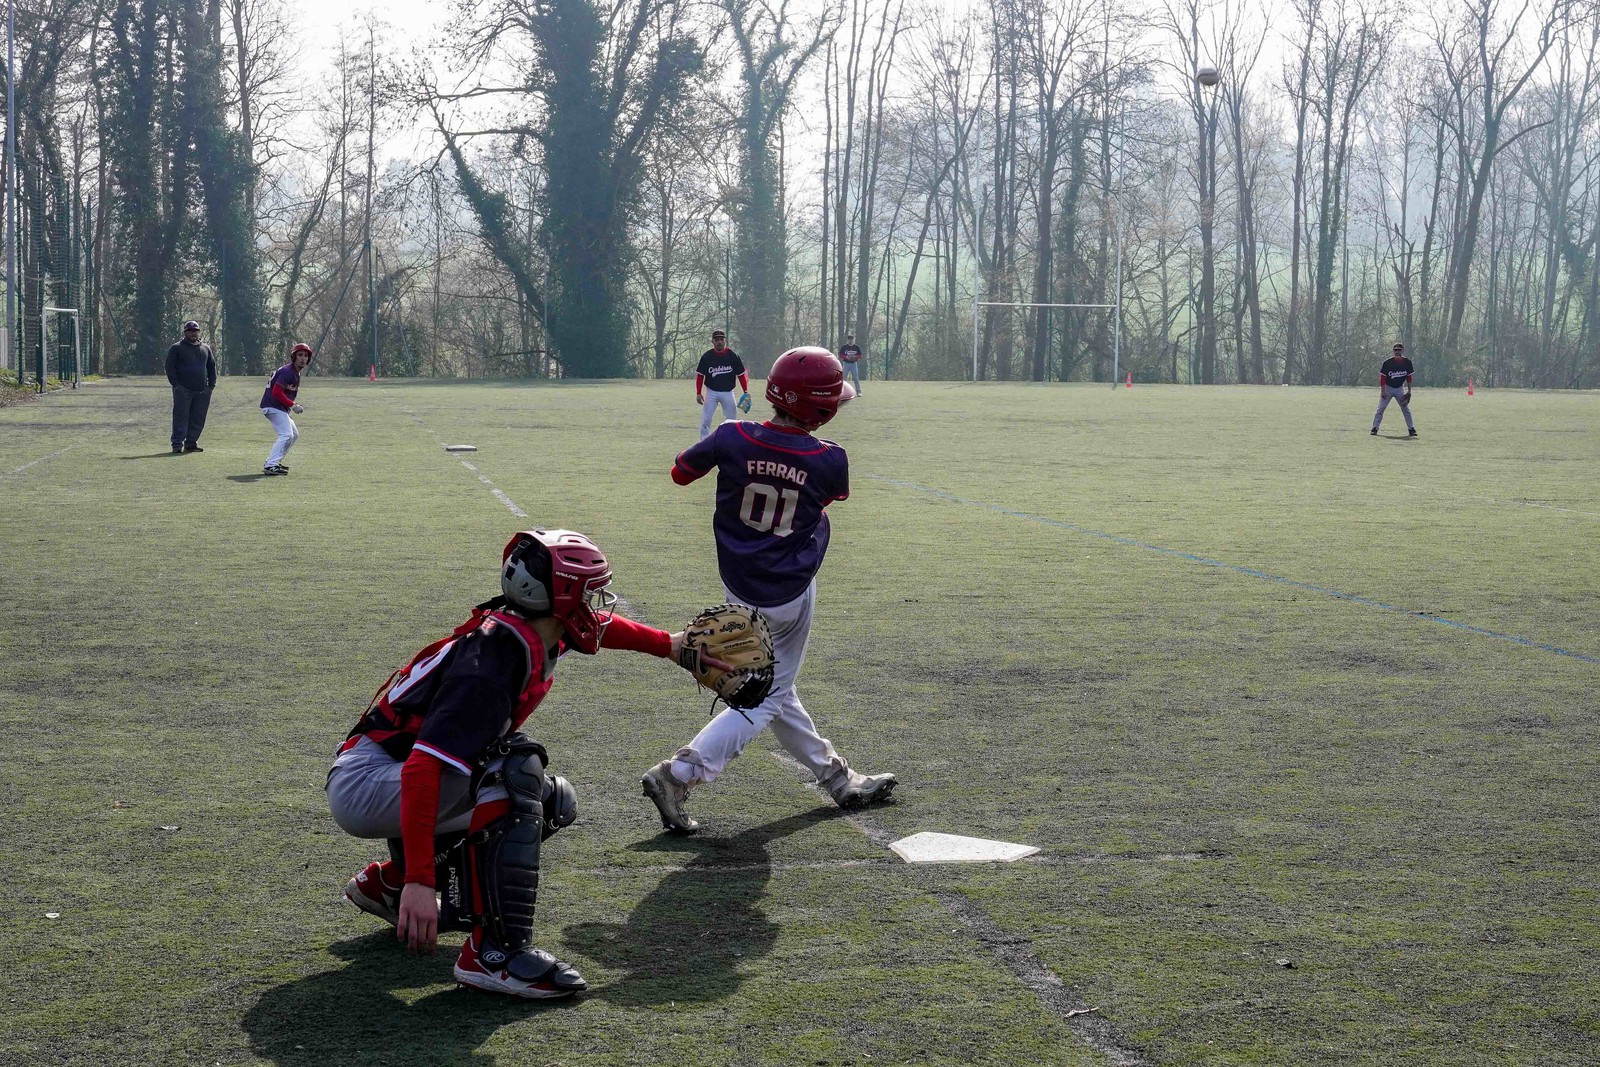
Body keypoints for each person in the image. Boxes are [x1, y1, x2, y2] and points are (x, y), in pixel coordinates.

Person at [329, 528, 729, 1000]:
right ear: (556, 597)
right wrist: (423, 879)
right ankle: (493, 953)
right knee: (515, 769)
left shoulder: (527, 625)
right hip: (372, 781)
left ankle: (388, 888)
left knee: (547, 797)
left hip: (384, 771)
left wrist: (671, 645)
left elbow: (604, 629)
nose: (595, 605)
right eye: (586, 593)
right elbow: (422, 769)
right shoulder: (491, 662)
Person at [642, 346, 897, 834]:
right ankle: (678, 774)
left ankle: (838, 778)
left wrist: (738, 458)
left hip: (737, 584)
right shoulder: (830, 460)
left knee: (779, 687)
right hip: (789, 591)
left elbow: (679, 472)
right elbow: (823, 499)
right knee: (766, 696)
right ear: (821, 409)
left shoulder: (731, 435)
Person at [260, 343, 313, 475]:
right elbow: (276, 392)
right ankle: (271, 465)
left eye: (306, 356)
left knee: (294, 435)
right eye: (300, 355)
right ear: (294, 357)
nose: (303, 358)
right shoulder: (288, 371)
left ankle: (274, 462)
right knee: (286, 434)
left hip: (277, 407)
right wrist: (293, 405)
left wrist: (290, 404)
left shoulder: (295, 372)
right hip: (272, 406)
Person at [165, 320, 216, 454]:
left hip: (202, 390)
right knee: (181, 417)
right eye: (190, 331)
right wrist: (176, 385)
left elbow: (211, 367)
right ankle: (177, 444)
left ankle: (191, 443)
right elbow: (169, 367)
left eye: (195, 331)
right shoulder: (176, 348)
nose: (193, 333)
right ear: (185, 333)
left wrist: (210, 386)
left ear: (199, 332)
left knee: (198, 418)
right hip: (183, 390)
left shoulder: (205, 348)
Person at [695, 329, 750, 439]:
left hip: (728, 393)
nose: (719, 342)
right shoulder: (707, 357)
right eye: (717, 340)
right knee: (706, 420)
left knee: (732, 421)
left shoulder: (732, 356)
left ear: (725, 340)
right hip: (711, 393)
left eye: (721, 339)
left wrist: (745, 392)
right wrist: (698, 393)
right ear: (713, 341)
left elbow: (741, 375)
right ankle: (703, 443)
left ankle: (731, 443)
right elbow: (700, 375)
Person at [1372, 342, 1417, 438]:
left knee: (1406, 409)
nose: (1397, 352)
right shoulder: (1387, 363)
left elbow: (1409, 377)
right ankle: (1375, 428)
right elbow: (1382, 378)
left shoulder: (1407, 362)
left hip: (1400, 389)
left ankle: (1411, 429)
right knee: (1380, 409)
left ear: (1402, 351)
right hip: (1388, 388)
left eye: (1399, 350)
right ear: (1393, 351)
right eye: (1395, 350)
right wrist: (1383, 391)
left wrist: (1409, 391)